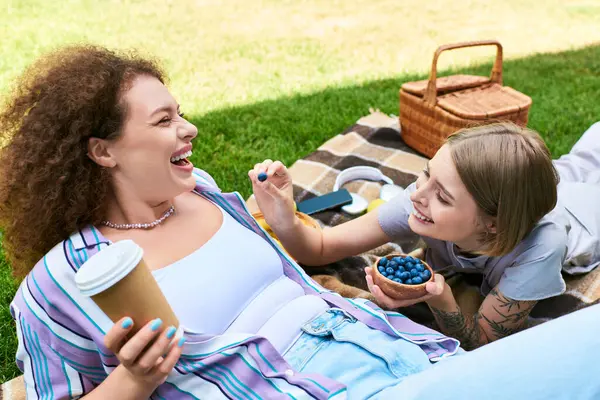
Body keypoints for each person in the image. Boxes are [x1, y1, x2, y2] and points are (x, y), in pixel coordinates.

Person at [2, 45, 598, 400]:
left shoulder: (205, 192)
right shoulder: (67, 278)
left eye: (181, 114)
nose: (190, 131)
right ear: (102, 151)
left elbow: (305, 259)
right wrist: (132, 380)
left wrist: (285, 221)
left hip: (393, 352)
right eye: (164, 122)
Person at [251, 120, 600, 351]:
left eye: (443, 197)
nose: (417, 194)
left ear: (492, 223)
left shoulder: (540, 247)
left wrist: (441, 298)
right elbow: (322, 248)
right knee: (585, 154)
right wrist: (283, 216)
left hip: (587, 212)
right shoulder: (420, 201)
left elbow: (482, 340)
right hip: (556, 180)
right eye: (425, 174)